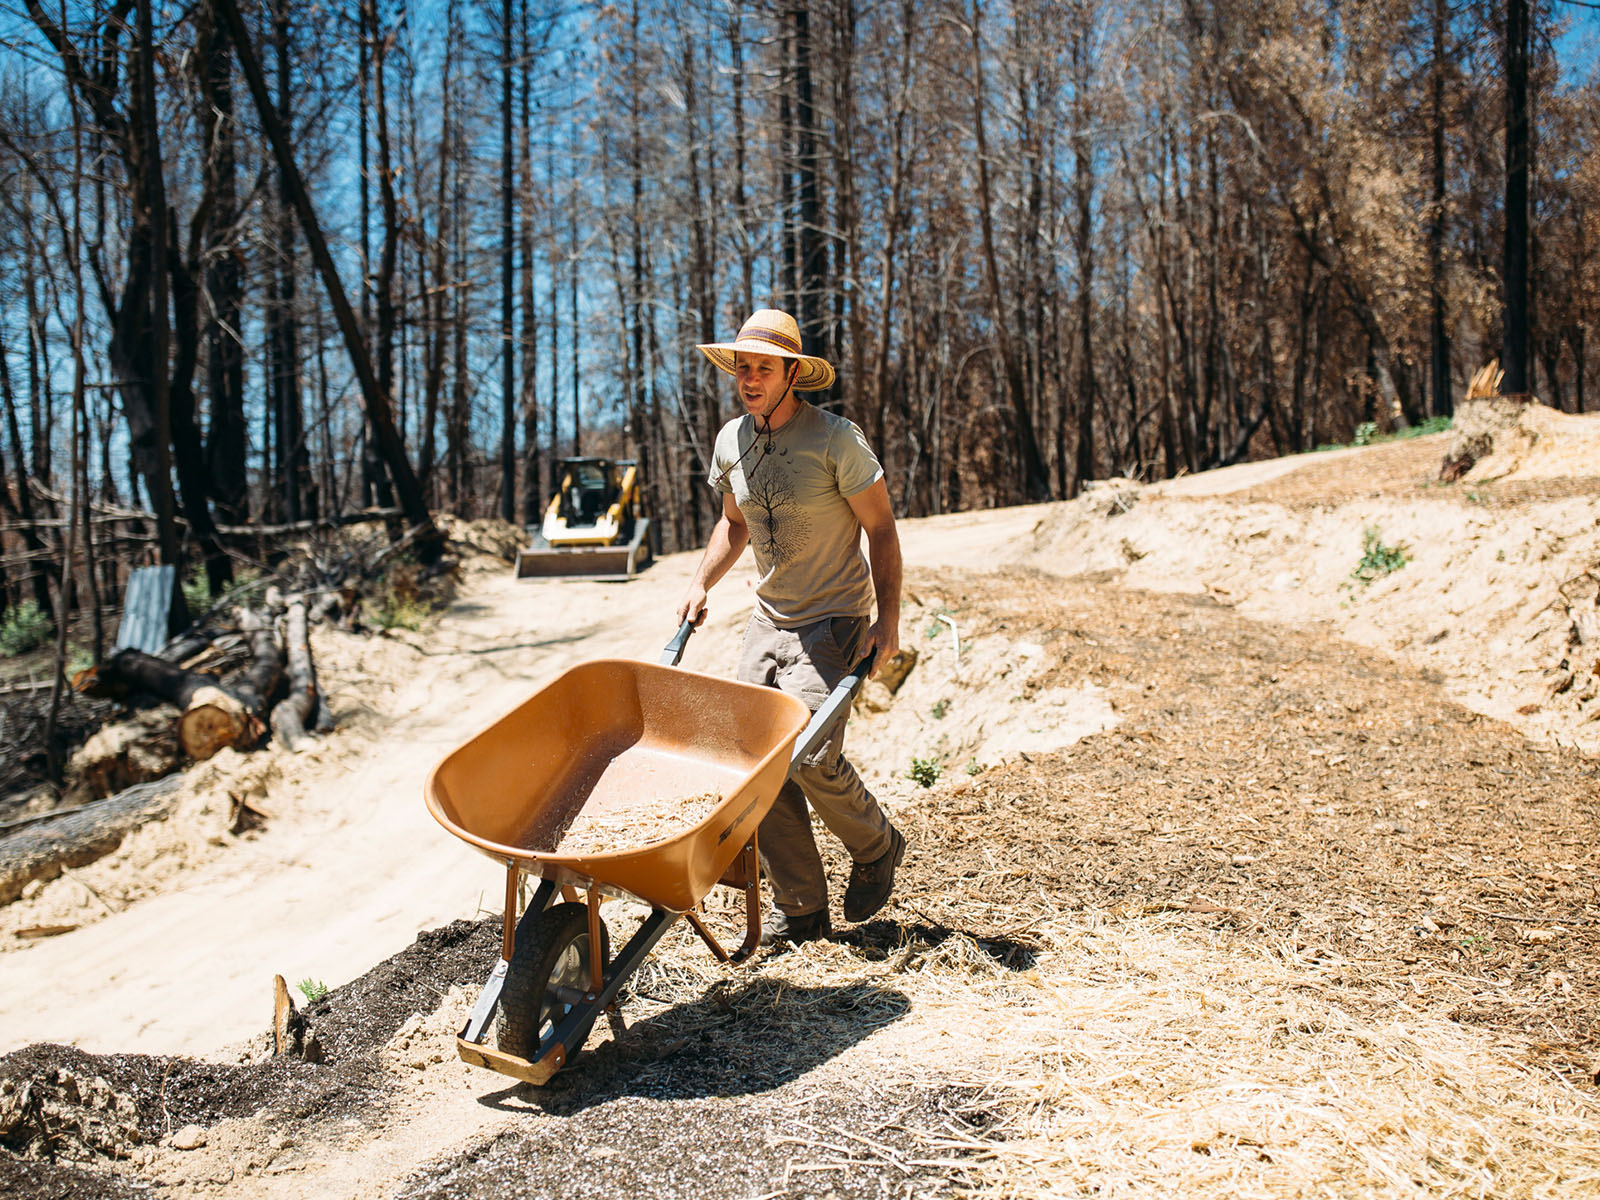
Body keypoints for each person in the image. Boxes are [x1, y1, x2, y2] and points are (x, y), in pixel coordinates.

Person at [675, 308, 905, 945]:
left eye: (763, 368)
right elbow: (735, 523)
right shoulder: (731, 440)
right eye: (743, 367)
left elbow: (882, 528)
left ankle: (876, 842)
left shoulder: (836, 439)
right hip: (767, 619)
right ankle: (801, 907)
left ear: (792, 374)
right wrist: (700, 582)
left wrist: (888, 621)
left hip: (832, 620)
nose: (750, 378)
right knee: (757, 766)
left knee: (806, 754)